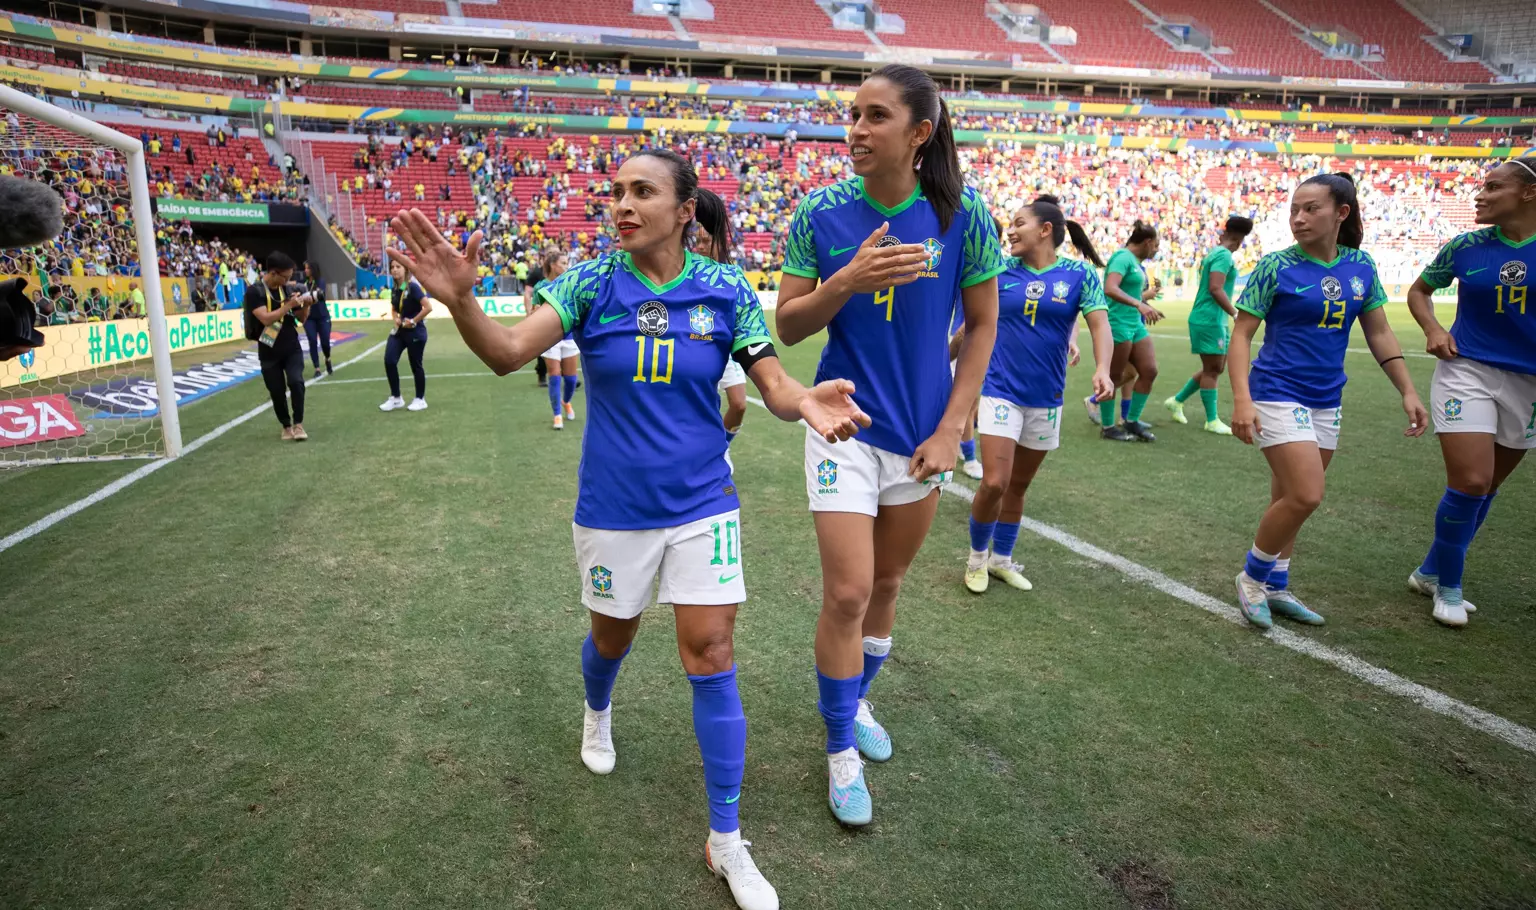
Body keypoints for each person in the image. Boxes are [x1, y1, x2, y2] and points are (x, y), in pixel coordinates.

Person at [384, 148, 871, 910]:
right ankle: (598, 709)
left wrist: (804, 400)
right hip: (613, 510)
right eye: (615, 192)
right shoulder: (586, 282)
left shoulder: (725, 288)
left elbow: (772, 385)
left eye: (642, 192)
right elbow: (512, 355)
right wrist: (464, 304)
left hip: (704, 502)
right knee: (612, 638)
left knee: (712, 649)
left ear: (684, 212)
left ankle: (727, 841)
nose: (622, 204)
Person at [775, 64, 1002, 827]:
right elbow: (790, 325)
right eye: (852, 115)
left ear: (920, 133)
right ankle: (839, 748)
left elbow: (982, 326)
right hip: (842, 424)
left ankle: (857, 701)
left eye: (875, 116)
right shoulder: (820, 211)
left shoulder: (963, 215)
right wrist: (849, 277)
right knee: (846, 592)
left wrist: (951, 427)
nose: (856, 130)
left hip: (920, 441)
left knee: (886, 589)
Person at [1229, 174, 1427, 629]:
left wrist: (1409, 389)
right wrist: (1242, 398)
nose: (1298, 218)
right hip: (1277, 391)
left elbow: (1378, 331)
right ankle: (1252, 578)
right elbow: (1241, 334)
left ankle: (1277, 585)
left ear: (1341, 213)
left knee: (1287, 496)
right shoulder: (1275, 266)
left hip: (1326, 398)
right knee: (1306, 493)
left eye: (1311, 208)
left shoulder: (1361, 266)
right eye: (1294, 208)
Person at [1404, 157, 1536, 627]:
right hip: (1467, 371)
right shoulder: (1465, 245)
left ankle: (1430, 571)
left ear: (1528, 193)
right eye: (1481, 185)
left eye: (1493, 186)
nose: (1480, 194)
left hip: (1529, 383)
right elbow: (1419, 292)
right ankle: (1450, 589)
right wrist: (1434, 328)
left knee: (1490, 486)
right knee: (1472, 481)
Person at [964, 196, 1115, 594]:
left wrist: (1102, 368)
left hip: (1047, 397)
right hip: (1000, 391)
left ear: (1045, 230)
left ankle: (1001, 561)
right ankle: (977, 559)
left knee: (1018, 487)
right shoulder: (997, 272)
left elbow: (1099, 325)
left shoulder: (1080, 275)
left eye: (1019, 223)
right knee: (994, 482)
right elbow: (973, 325)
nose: (1010, 231)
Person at [1165, 216, 1254, 435]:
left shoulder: (1218, 253)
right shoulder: (1223, 255)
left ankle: (1177, 401)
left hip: (1212, 319)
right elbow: (1216, 288)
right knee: (1213, 369)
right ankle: (1211, 420)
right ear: (1240, 238)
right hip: (1208, 319)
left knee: (1214, 367)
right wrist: (1234, 312)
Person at [1089, 221, 1164, 442]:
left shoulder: (1133, 261)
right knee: (1114, 376)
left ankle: (1131, 421)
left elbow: (1128, 292)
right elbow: (1110, 288)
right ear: (1148, 242)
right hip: (1117, 323)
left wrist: (1146, 305)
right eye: (1156, 245)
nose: (1157, 250)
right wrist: (1139, 304)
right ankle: (1108, 426)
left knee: (1149, 370)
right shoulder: (1122, 258)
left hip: (1134, 324)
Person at [693, 188, 747, 445]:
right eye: (697, 242)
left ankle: (719, 446)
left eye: (706, 241)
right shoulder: (685, 273)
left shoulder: (731, 277)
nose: (701, 247)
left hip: (725, 349)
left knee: (739, 404)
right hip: (694, 345)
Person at [243, 251, 312, 441]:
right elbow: (265, 319)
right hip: (268, 348)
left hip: (291, 345)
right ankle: (286, 426)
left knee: (296, 381)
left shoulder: (288, 290)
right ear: (273, 273)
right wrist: (289, 305)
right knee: (276, 390)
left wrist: (306, 305)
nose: (289, 280)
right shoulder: (254, 292)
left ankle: (298, 424)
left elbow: (301, 320)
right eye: (286, 276)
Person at [380, 259, 431, 412]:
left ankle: (420, 399)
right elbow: (395, 308)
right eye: (392, 267)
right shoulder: (398, 288)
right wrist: (395, 317)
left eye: (398, 267)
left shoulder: (413, 287)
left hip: (415, 332)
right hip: (400, 331)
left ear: (406, 269)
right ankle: (396, 398)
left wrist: (414, 321)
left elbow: (428, 307)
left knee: (416, 365)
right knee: (389, 360)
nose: (394, 270)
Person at [536, 250, 579, 429]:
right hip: (550, 337)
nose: (566, 266)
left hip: (569, 336)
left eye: (567, 263)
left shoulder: (571, 283)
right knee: (554, 375)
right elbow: (535, 311)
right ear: (553, 265)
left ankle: (566, 402)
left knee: (570, 379)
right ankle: (557, 415)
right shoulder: (541, 286)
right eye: (563, 263)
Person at [301, 260, 333, 378]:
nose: (306, 270)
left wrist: (307, 297)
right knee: (312, 341)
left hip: (323, 316)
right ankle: (317, 368)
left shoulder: (320, 281)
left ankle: (328, 358)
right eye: (305, 268)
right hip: (309, 318)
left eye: (308, 268)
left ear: (313, 269)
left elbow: (320, 295)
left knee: (325, 342)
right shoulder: (304, 284)